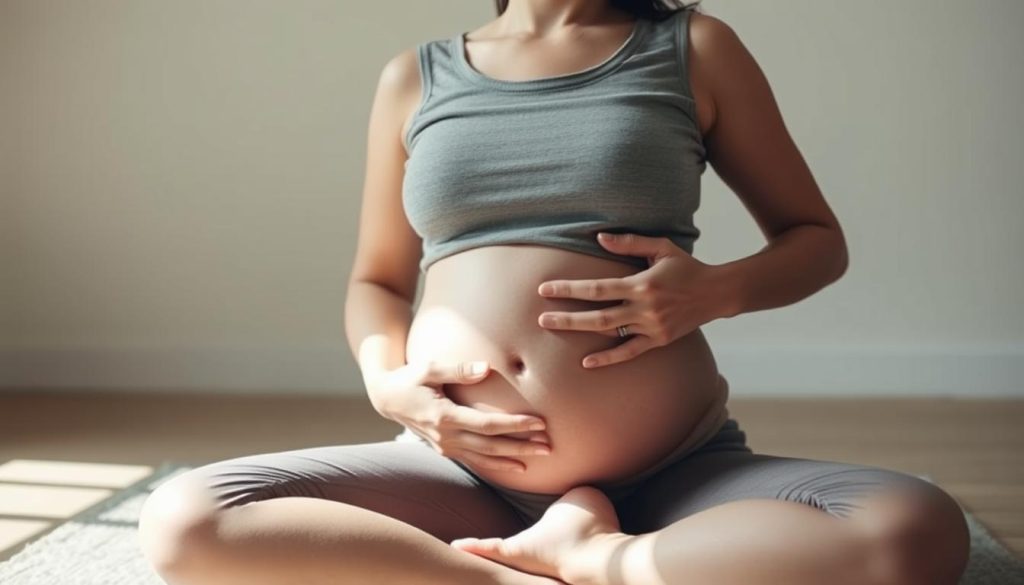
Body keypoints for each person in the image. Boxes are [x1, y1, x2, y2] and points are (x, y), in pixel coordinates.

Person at [138, 1, 971, 584]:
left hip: (675, 467)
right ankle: (518, 575)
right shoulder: (415, 77)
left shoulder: (694, 48)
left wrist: (710, 292)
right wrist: (391, 385)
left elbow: (815, 242)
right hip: (454, 466)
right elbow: (377, 280)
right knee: (185, 520)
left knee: (911, 529)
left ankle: (591, 558)